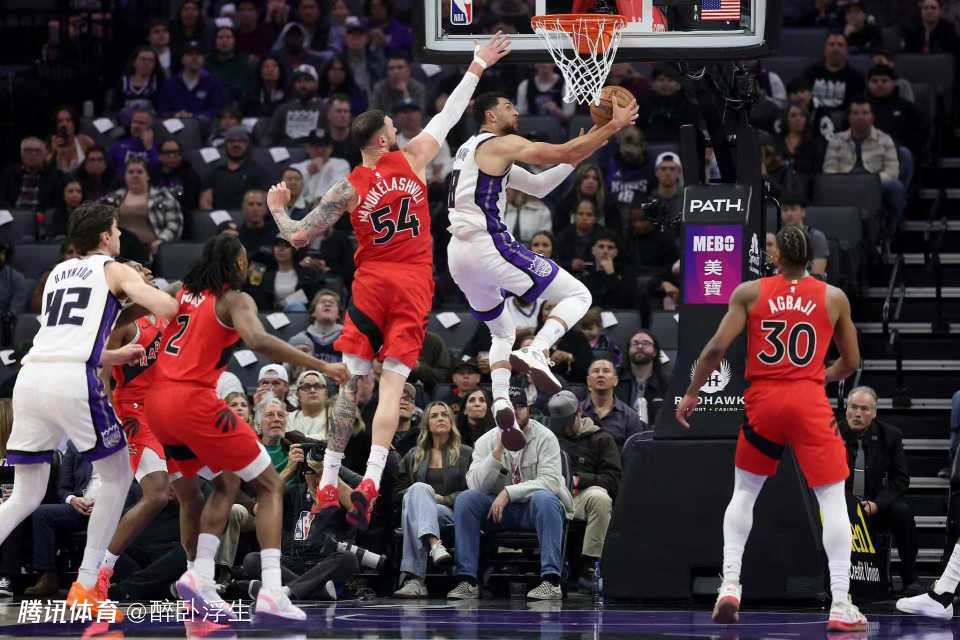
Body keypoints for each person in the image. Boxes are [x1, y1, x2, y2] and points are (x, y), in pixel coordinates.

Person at [265, 33, 512, 531]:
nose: (399, 129)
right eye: (392, 127)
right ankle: (372, 480)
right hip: (412, 283)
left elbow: (297, 236)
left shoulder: (347, 187)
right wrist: (477, 64)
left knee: (351, 384)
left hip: (371, 285)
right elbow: (449, 115)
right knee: (392, 386)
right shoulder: (412, 158)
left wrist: (277, 209)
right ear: (381, 139)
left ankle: (329, 482)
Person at [144, 233, 346, 621]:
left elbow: (134, 308)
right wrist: (322, 365)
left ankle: (199, 577)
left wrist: (106, 352)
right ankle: (271, 590)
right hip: (193, 400)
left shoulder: (179, 291)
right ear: (237, 264)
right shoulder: (235, 299)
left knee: (224, 483)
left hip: (158, 406)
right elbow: (258, 340)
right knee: (270, 485)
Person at [675, 225, 865, 631]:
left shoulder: (749, 292)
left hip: (763, 401)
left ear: (776, 256)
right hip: (808, 400)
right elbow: (851, 362)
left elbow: (715, 348)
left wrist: (692, 392)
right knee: (832, 499)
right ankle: (840, 603)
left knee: (745, 492)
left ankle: (729, 585)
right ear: (811, 257)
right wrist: (821, 376)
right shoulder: (833, 297)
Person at [0, 202, 179, 616]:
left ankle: (86, 585)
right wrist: (158, 292)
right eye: (117, 230)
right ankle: (86, 586)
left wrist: (114, 355)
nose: (120, 236)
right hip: (72, 380)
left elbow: (68, 336)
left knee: (25, 494)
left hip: (31, 379)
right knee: (117, 477)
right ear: (105, 236)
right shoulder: (113, 269)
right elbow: (167, 307)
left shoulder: (56, 274)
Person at [445, 88, 637, 453]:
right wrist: (612, 126)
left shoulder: (470, 150)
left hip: (458, 255)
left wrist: (585, 148)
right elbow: (560, 152)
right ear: (489, 116)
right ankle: (538, 350)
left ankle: (501, 402)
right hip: (488, 245)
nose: (516, 111)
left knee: (502, 331)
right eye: (508, 106)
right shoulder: (500, 143)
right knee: (579, 294)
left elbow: (539, 185)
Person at [94, 262, 177, 597]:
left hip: (170, 412)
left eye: (145, 266)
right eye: (137, 268)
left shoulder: (162, 312)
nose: (146, 270)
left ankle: (198, 577)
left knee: (199, 495)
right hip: (135, 413)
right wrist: (105, 422)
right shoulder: (121, 323)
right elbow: (101, 379)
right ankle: (101, 570)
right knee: (157, 494)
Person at [447, 386, 572, 600]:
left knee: (545, 499)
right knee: (466, 500)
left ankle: (551, 582)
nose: (514, 413)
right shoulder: (485, 441)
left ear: (528, 409)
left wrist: (508, 492)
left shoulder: (545, 437)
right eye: (508, 409)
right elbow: (476, 485)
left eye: (519, 407)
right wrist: (497, 452)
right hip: (499, 513)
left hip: (535, 510)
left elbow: (550, 482)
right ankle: (467, 580)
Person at [838, 386, 919, 595]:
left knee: (902, 511)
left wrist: (877, 505)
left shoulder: (890, 435)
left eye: (864, 409)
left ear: (874, 413)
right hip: (839, 505)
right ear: (846, 408)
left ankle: (910, 578)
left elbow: (900, 479)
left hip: (874, 506)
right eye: (853, 407)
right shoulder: (832, 434)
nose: (857, 413)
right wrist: (849, 505)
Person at [394, 401, 471, 597]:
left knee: (415, 507)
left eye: (444, 415)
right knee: (418, 491)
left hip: (451, 513)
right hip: (420, 513)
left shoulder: (466, 453)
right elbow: (398, 491)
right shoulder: (414, 455)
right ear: (427, 424)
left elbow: (473, 491)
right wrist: (422, 498)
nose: (440, 419)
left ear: (451, 421)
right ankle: (435, 545)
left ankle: (415, 580)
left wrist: (444, 499)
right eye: (434, 416)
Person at [547, 390, 621, 590]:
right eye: (559, 424)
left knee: (600, 498)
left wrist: (580, 480)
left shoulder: (601, 439)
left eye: (567, 423)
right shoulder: (550, 438)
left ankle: (590, 565)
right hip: (553, 495)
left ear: (579, 413)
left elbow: (613, 481)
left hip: (582, 496)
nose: (564, 428)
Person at [822, 99, 904, 240]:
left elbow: (892, 172)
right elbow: (829, 170)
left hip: (876, 184)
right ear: (849, 117)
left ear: (872, 117)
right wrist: (848, 182)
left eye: (865, 113)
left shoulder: (885, 139)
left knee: (896, 187)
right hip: (844, 185)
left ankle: (888, 233)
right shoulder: (836, 140)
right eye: (855, 113)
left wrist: (869, 181)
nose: (860, 117)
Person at [101, 157, 183, 261]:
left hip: (151, 250)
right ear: (125, 176)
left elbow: (175, 225)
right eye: (130, 172)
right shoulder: (114, 197)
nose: (135, 175)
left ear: (148, 176)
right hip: (121, 250)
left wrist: (161, 240)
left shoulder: (163, 197)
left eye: (140, 172)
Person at [615, 330, 672, 426]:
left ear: (655, 352)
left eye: (646, 343)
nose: (640, 346)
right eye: (635, 343)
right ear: (628, 350)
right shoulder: (615, 379)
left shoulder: (667, 383)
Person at [803, 32, 866, 109]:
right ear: (825, 49)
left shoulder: (856, 78)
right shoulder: (810, 73)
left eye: (840, 45)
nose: (835, 49)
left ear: (847, 50)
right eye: (831, 44)